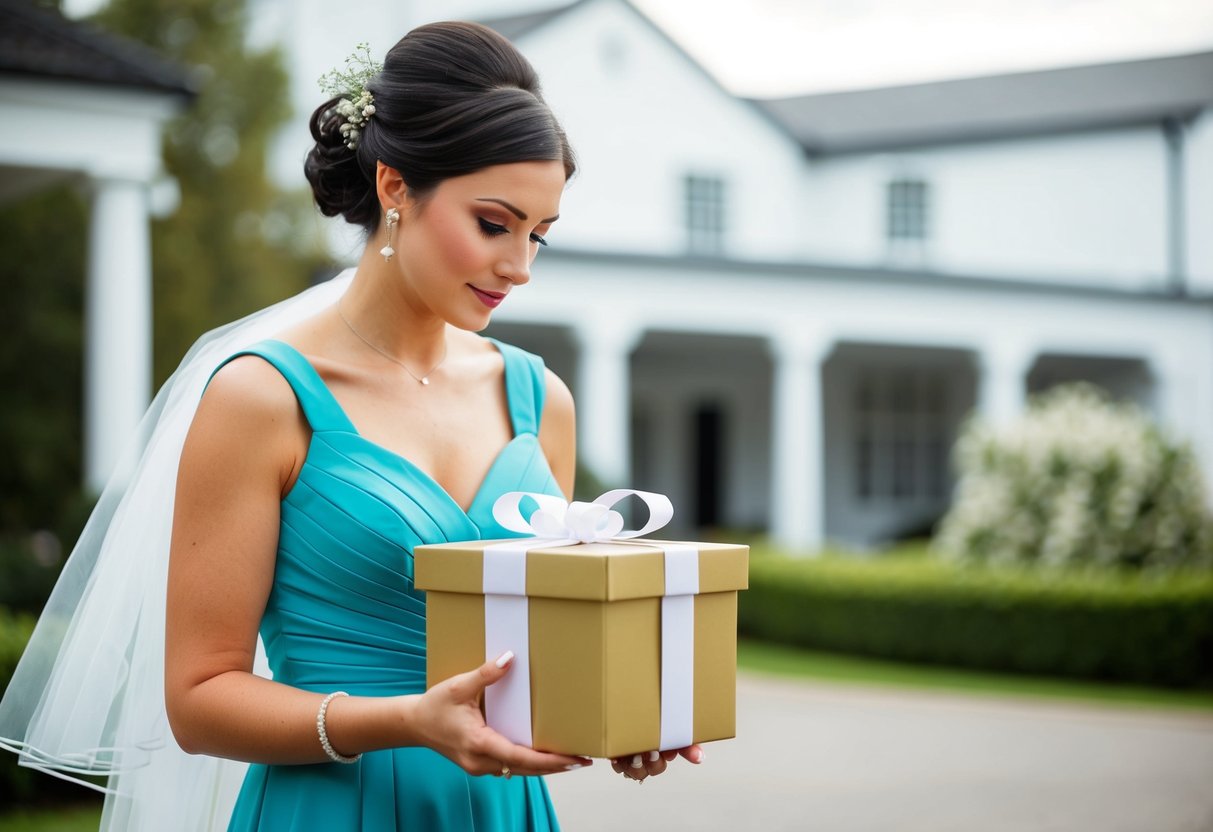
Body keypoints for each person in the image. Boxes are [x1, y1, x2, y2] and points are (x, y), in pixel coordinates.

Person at [0, 21, 699, 831]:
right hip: (333, 806)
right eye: (494, 223)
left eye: (539, 234)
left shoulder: (540, 399)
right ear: (396, 186)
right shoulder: (262, 397)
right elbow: (197, 701)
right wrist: (404, 721)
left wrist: (622, 715)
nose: (520, 266)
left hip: (502, 811)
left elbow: (534, 658)